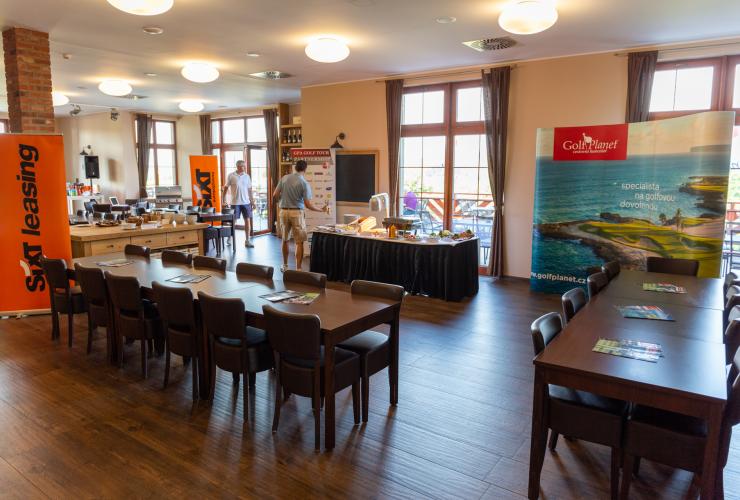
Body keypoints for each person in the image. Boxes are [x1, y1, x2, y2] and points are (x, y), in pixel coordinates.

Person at [272, 159, 328, 272]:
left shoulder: (284, 178)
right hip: (296, 213)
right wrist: (321, 210)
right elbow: (308, 205)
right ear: (305, 169)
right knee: (299, 241)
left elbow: (275, 195)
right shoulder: (304, 183)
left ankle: (285, 266)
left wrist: (281, 202)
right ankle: (298, 269)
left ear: (295, 167)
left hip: (283, 212)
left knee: (285, 239)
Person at [222, 160, 255, 247]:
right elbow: (225, 188)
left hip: (246, 202)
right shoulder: (231, 175)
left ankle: (247, 240)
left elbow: (249, 190)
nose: (244, 167)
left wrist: (252, 201)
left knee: (247, 221)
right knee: (234, 221)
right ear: (238, 166)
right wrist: (223, 199)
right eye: (242, 166)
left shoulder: (247, 176)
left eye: (244, 166)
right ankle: (229, 237)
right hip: (235, 203)